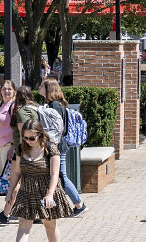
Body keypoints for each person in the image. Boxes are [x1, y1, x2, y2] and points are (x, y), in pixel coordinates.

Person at [2, 119, 74, 242]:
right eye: (25, 138)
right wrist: (10, 192)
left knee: (49, 225)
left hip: (46, 192)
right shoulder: (21, 149)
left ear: (40, 134)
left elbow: (55, 174)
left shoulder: (50, 148)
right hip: (26, 192)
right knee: (24, 225)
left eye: (31, 138)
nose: (28, 141)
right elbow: (16, 172)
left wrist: (50, 194)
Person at [39, 78, 88, 217]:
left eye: (43, 85)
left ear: (49, 89)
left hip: (58, 147)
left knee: (61, 176)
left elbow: (55, 128)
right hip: (57, 146)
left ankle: (79, 205)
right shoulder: (54, 104)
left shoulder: (54, 105)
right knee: (57, 176)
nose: (39, 87)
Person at [0, 81, 19, 223]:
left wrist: (13, 146)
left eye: (9, 89)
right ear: (0, 91)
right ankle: (16, 208)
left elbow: (17, 128)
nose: (7, 91)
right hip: (2, 147)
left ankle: (6, 213)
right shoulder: (2, 105)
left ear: (14, 91)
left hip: (9, 147)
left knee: (12, 182)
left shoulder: (13, 106)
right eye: (4, 89)